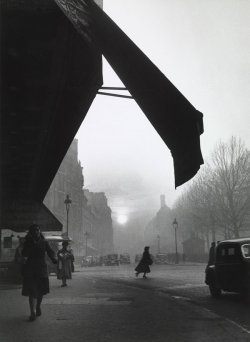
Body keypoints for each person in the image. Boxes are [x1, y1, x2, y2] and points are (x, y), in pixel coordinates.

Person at [21, 224, 57, 321]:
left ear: (40, 231)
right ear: (31, 233)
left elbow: (50, 252)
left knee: (40, 291)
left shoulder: (44, 242)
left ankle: (37, 307)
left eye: (37, 230)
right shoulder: (27, 242)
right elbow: (24, 254)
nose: (36, 232)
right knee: (32, 292)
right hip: (30, 269)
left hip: (41, 269)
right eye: (34, 230)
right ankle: (32, 313)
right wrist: (29, 243)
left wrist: (54, 259)